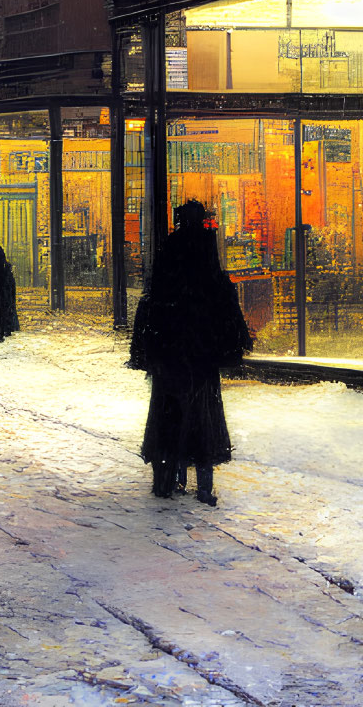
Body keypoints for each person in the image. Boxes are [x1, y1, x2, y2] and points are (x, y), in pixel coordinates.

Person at [128, 200, 254, 506]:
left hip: (170, 349)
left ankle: (166, 479)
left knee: (168, 415)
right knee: (203, 418)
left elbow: (154, 296)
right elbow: (220, 297)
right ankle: (204, 484)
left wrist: (151, 346)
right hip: (200, 351)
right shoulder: (205, 249)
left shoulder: (170, 248)